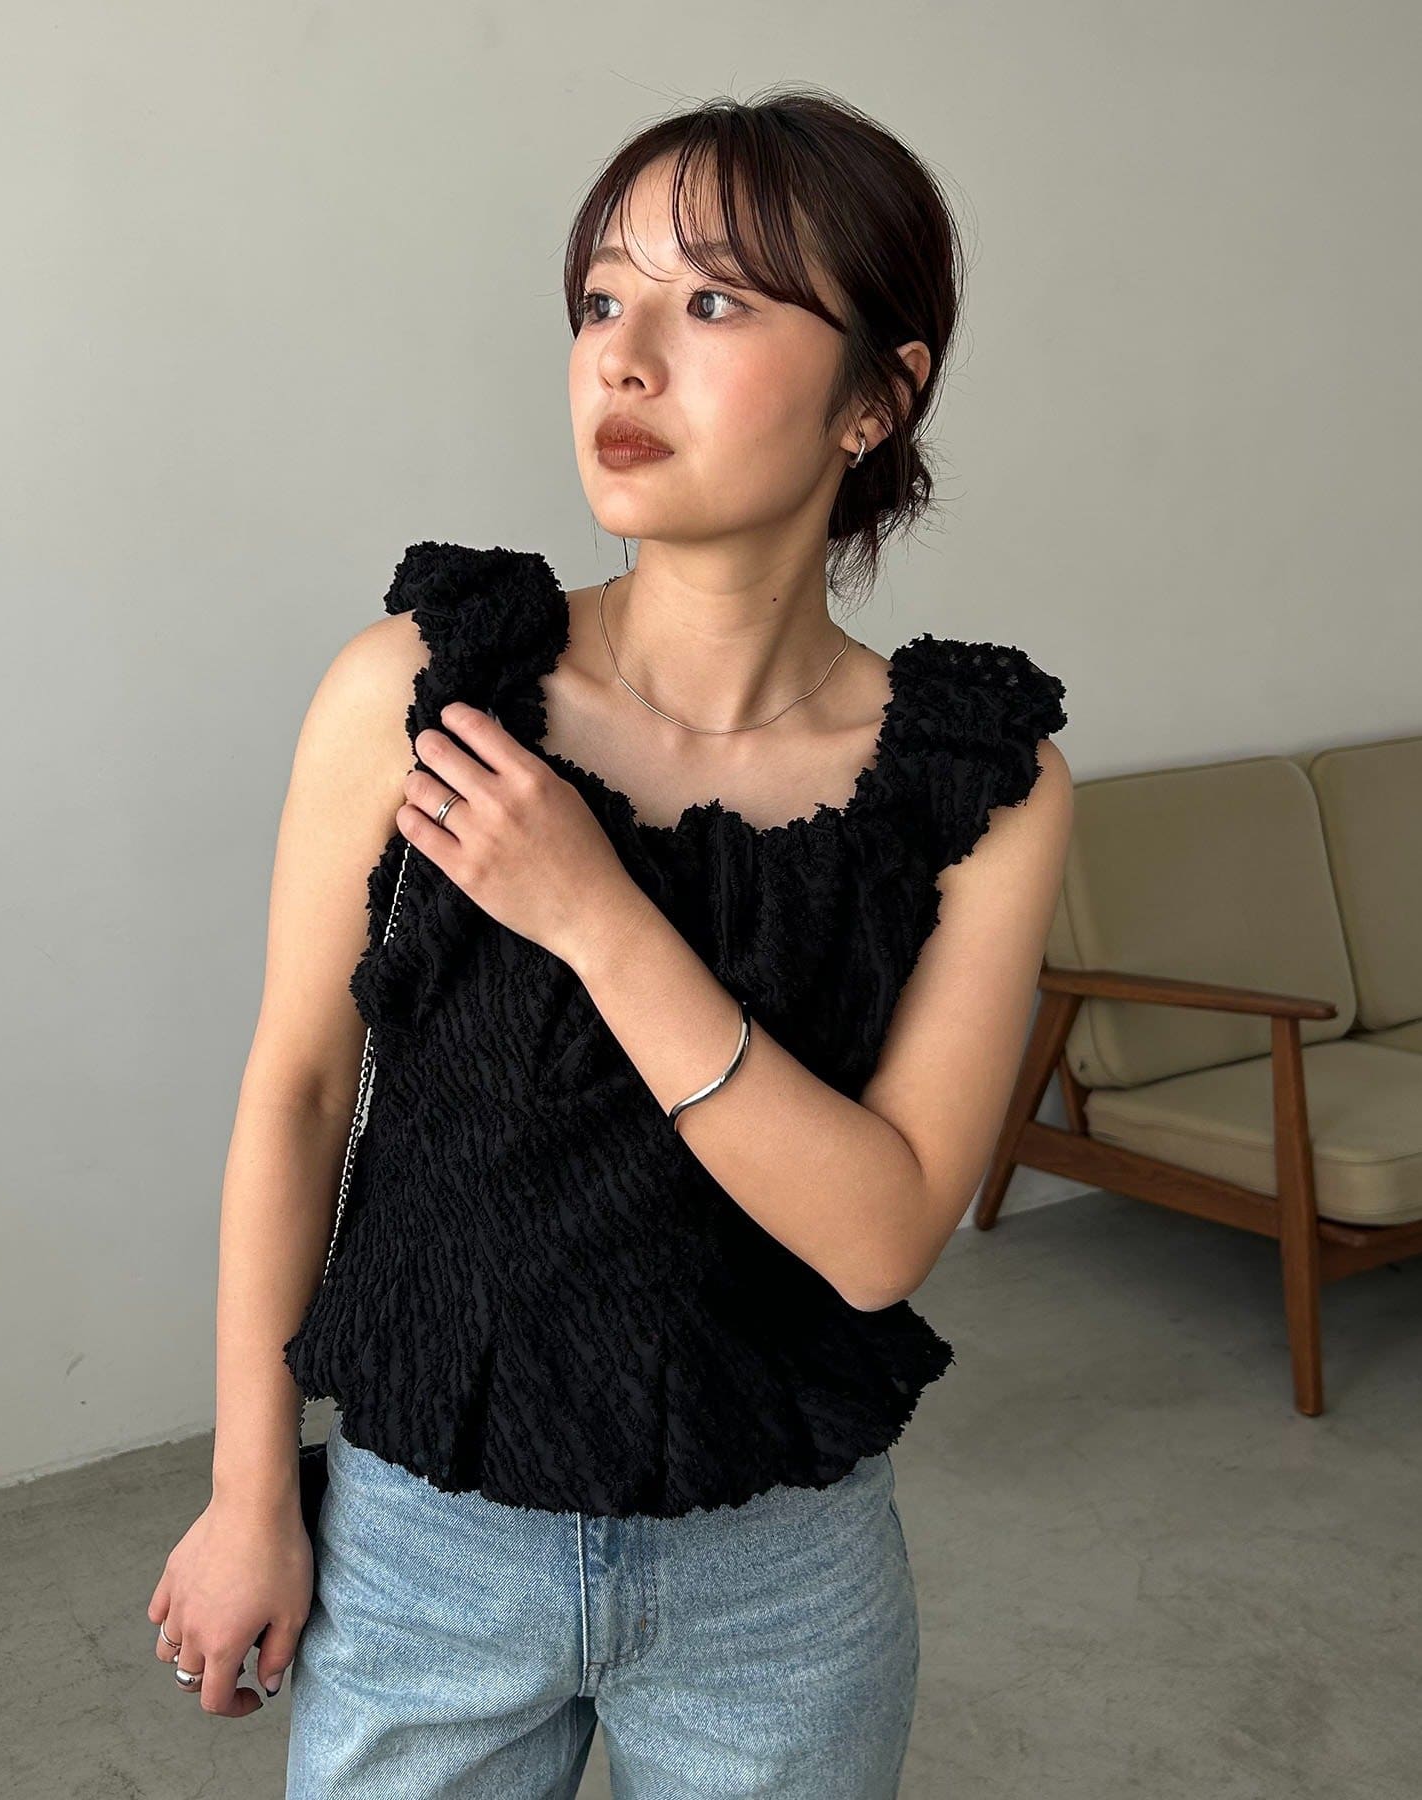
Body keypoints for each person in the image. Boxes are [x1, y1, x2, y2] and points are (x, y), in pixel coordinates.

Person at [147, 84, 1072, 1798]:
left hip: (781, 1584)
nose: (621, 360)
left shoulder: (973, 781)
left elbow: (882, 1238)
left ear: (880, 396)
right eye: (599, 299)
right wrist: (249, 1489)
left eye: (711, 301)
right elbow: (296, 1094)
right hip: (425, 1546)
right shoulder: (422, 691)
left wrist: (594, 912)